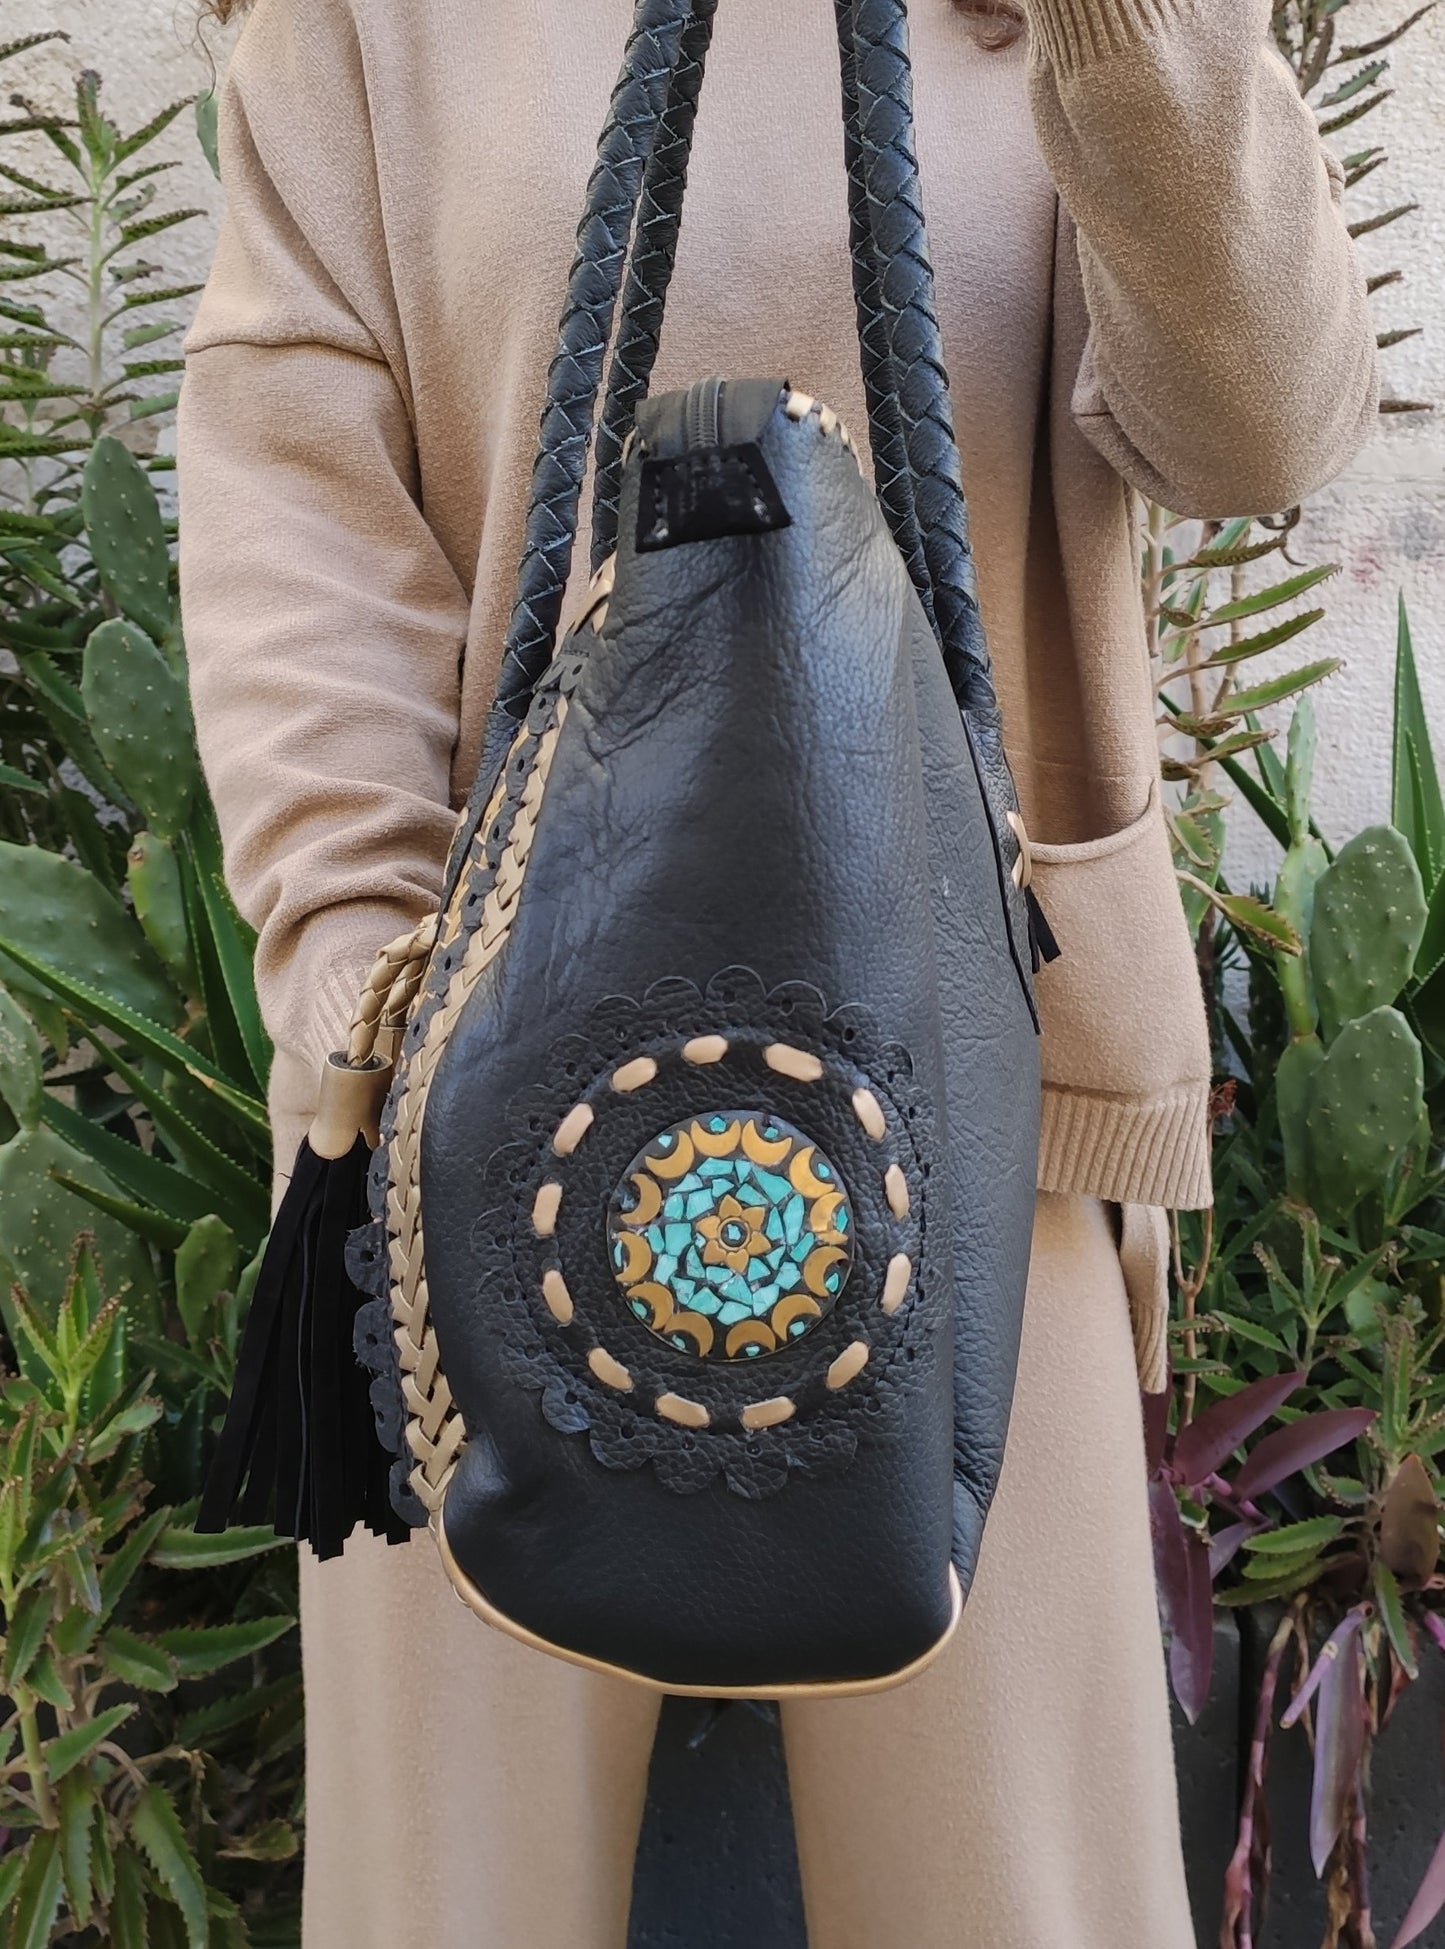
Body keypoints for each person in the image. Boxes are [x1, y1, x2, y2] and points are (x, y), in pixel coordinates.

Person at [176, 0, 1376, 1943]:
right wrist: (366, 981)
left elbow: (1260, 433)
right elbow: (295, 504)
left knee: (1024, 1903)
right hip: (475, 1113)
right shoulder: (374, 24)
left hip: (999, 1107)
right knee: (447, 1907)